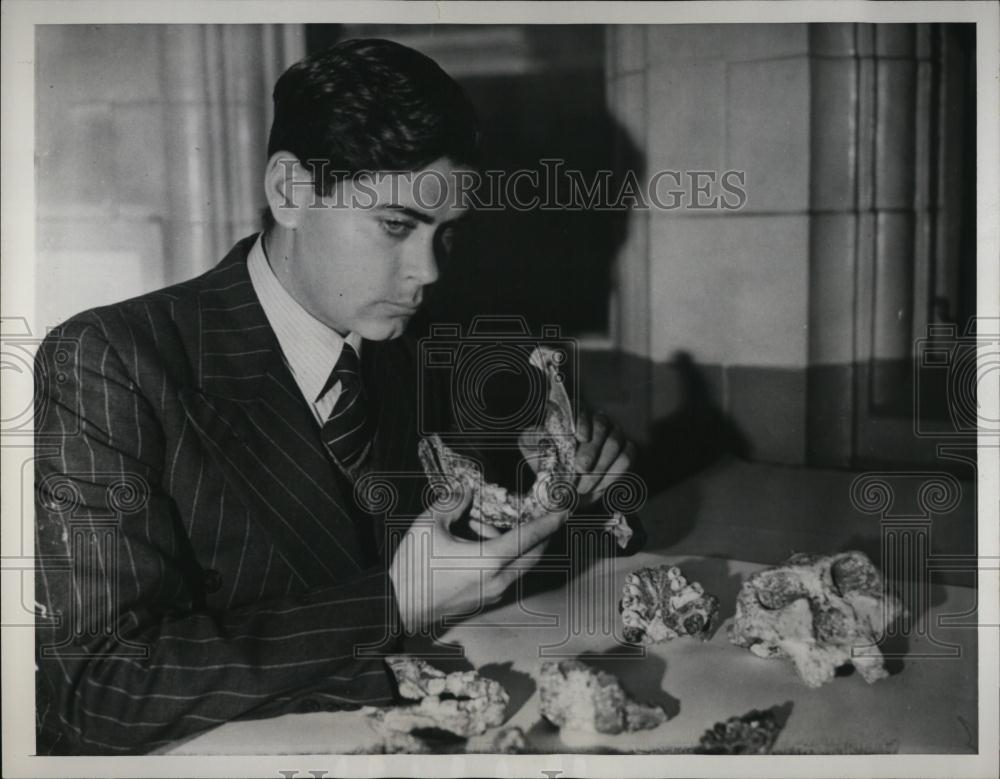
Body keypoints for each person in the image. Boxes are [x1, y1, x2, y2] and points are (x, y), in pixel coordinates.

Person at [33, 38, 636, 755]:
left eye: (446, 235)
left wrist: (566, 481)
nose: (427, 271)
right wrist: (392, 602)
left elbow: (499, 565)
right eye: (395, 226)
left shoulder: (416, 348)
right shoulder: (108, 362)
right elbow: (91, 688)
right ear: (290, 191)